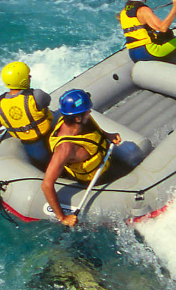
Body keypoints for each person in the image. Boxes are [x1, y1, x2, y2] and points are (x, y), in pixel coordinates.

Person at [42, 88, 121, 227]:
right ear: (77, 118)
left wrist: (107, 135)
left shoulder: (76, 122)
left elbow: (92, 130)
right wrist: (62, 217)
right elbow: (46, 185)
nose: (90, 112)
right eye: (87, 111)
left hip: (105, 162)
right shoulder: (64, 148)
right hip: (96, 180)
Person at [0, 61, 53, 167]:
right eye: (28, 76)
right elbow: (47, 101)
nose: (30, 77)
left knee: (42, 164)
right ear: (23, 80)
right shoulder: (37, 95)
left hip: (29, 147)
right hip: (48, 138)